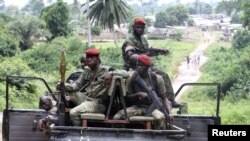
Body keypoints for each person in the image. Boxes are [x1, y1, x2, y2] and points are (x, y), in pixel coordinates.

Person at [122, 17, 181, 108]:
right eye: (138, 27)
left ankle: (170, 100)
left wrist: (160, 50)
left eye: (142, 28)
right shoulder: (130, 39)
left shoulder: (143, 39)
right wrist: (143, 58)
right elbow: (130, 54)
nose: (140, 29)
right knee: (132, 78)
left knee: (163, 75)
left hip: (144, 67)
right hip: (134, 67)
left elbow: (148, 49)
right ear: (133, 27)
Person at [114, 54, 172, 129]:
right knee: (117, 117)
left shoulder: (157, 79)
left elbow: (164, 98)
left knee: (160, 118)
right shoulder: (132, 78)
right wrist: (138, 95)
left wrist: (170, 113)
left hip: (153, 107)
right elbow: (127, 98)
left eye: (142, 66)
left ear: (148, 67)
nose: (139, 68)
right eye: (138, 65)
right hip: (137, 107)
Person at [60, 48, 115, 126]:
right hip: (87, 99)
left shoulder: (105, 70)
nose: (89, 59)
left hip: (98, 104)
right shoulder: (87, 70)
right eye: (87, 57)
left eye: (92, 57)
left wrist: (111, 73)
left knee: (73, 113)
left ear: (97, 59)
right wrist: (63, 85)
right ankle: (57, 113)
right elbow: (77, 86)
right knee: (69, 93)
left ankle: (79, 133)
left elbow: (125, 73)